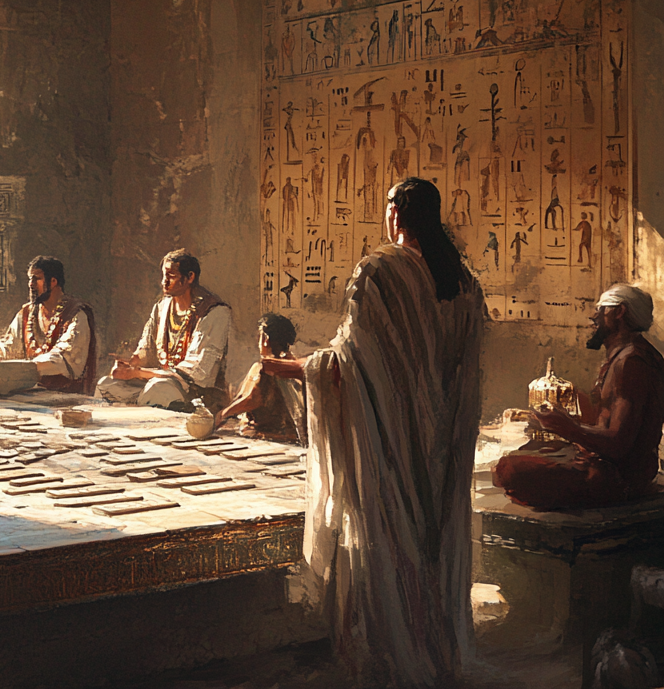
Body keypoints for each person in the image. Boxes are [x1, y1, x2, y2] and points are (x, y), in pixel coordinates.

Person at [263, 177, 483, 687]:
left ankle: (391, 649)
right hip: (442, 438)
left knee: (389, 535)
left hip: (391, 432)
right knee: (432, 539)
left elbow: (349, 364)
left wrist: (296, 369)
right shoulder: (462, 279)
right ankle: (434, 646)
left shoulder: (379, 270)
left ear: (395, 214)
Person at [493, 284, 664, 510]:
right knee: (525, 453)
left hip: (616, 477)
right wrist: (561, 420)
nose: (594, 317)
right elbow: (609, 421)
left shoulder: (631, 362)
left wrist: (568, 428)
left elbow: (619, 443)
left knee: (506, 469)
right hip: (607, 465)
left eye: (601, 309)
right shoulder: (627, 356)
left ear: (619, 312)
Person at [96, 250, 231, 411]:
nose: (164, 282)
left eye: (171, 276)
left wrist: (137, 373)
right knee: (107, 385)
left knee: (157, 389)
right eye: (163, 276)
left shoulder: (214, 312)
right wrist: (128, 364)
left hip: (195, 394)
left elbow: (197, 374)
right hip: (159, 381)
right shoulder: (161, 308)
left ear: (190, 277)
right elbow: (145, 351)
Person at [0, 256, 97, 394]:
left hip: (66, 398)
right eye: (30, 279)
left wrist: (26, 367)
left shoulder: (75, 313)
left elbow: (64, 358)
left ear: (53, 281)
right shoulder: (27, 313)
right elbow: (8, 344)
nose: (31, 284)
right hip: (29, 395)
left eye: (36, 279)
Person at [217, 313, 305, 443]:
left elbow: (252, 399)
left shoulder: (267, 367)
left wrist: (222, 415)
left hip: (267, 435)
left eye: (259, 337)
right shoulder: (292, 364)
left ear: (265, 339)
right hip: (292, 434)